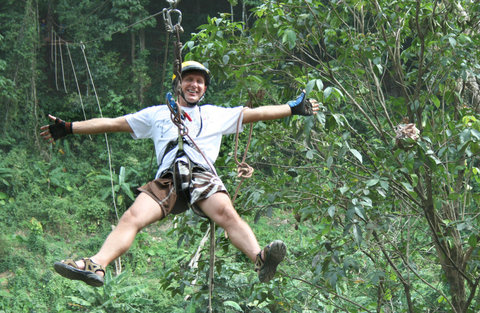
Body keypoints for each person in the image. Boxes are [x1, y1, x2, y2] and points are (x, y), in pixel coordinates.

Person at [41, 61, 318, 287]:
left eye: (200, 81)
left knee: (226, 214)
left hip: (201, 176)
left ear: (205, 89)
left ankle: (260, 258)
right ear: (179, 84)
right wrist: (69, 127)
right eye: (189, 79)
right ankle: (97, 264)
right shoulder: (157, 114)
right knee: (132, 216)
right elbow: (112, 123)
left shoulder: (214, 115)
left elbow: (258, 113)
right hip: (168, 178)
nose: (194, 84)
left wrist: (293, 109)